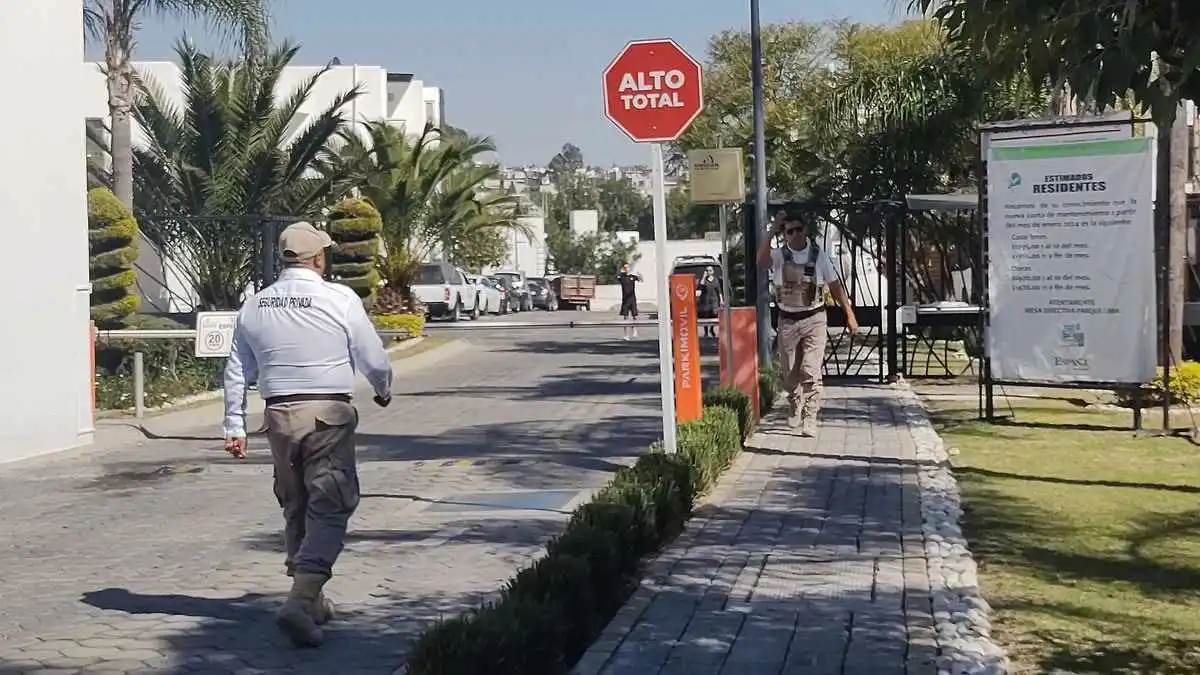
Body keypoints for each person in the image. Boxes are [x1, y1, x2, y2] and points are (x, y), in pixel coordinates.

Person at [222, 221, 394, 648]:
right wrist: (382, 387)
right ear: (318, 258)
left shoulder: (255, 306)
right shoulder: (338, 297)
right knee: (332, 504)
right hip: (327, 413)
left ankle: (312, 600)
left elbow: (238, 369)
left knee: (295, 501)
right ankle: (300, 601)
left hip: (279, 415)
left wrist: (234, 425)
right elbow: (370, 353)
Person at [756, 210, 859, 436]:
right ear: (784, 234)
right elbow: (761, 261)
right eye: (789, 231)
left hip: (814, 318)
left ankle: (810, 417)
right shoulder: (779, 256)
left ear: (806, 230)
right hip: (788, 320)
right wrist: (772, 229)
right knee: (791, 373)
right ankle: (795, 402)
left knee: (810, 370)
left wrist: (849, 315)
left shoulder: (818, 255)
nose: (794, 235)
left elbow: (834, 285)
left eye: (798, 229)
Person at [617, 263, 641, 341]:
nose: (626, 269)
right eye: (625, 268)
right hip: (625, 300)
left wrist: (639, 274)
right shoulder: (622, 277)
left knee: (635, 316)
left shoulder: (632, 277)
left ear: (629, 268)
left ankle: (634, 330)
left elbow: (641, 279)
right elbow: (617, 276)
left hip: (632, 299)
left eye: (627, 267)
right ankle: (626, 335)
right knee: (625, 317)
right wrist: (620, 272)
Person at [697, 266, 721, 338]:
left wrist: (721, 300)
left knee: (714, 315)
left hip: (714, 300)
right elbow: (700, 286)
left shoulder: (716, 280)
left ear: (713, 272)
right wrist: (704, 276)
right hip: (706, 300)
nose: (708, 272)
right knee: (706, 316)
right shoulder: (704, 280)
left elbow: (719, 290)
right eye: (707, 270)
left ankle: (711, 329)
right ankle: (706, 332)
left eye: (710, 270)